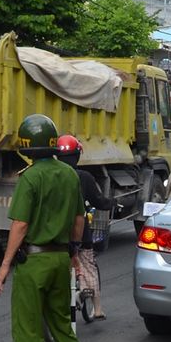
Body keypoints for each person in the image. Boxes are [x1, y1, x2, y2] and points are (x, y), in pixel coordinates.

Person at [0, 114, 99, 342]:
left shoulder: (31, 177)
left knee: (27, 331)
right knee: (63, 325)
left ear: (25, 145)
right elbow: (78, 221)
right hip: (60, 258)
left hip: (34, 262)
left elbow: (20, 225)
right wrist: (73, 254)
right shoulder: (69, 175)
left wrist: (4, 266)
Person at [57, 134, 119, 321]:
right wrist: (112, 203)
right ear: (77, 155)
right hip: (80, 233)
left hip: (56, 233)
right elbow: (98, 201)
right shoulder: (84, 177)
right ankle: (97, 308)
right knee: (88, 265)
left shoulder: (52, 175)